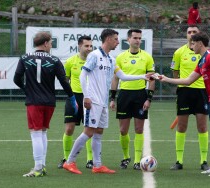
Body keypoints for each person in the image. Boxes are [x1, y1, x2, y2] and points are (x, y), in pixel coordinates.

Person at [62, 29, 153, 174]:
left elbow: (122, 76)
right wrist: (86, 96)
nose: (118, 42)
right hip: (93, 101)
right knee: (89, 131)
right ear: (109, 39)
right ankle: (70, 161)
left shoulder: (111, 59)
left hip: (103, 103)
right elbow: (82, 75)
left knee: (98, 131)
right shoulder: (94, 56)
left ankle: (97, 165)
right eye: (116, 39)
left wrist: (143, 77)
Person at [159, 32, 210, 176]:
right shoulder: (202, 60)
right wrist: (166, 79)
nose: (191, 46)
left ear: (200, 43)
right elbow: (188, 80)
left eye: (193, 43)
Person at [13, 31, 78, 177]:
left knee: (36, 133)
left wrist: (26, 89)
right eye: (51, 43)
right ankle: (41, 166)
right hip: (49, 102)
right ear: (45, 43)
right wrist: (72, 97)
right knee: (42, 131)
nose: (51, 46)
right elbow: (64, 82)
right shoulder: (54, 60)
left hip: (33, 102)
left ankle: (37, 168)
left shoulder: (24, 58)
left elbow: (16, 78)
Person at [109, 29, 155, 170]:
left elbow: (152, 79)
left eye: (139, 38)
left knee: (139, 129)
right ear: (128, 40)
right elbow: (115, 78)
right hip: (124, 95)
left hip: (140, 95)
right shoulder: (120, 57)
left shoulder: (147, 57)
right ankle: (125, 157)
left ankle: (136, 160)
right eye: (135, 37)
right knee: (123, 130)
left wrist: (149, 99)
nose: (137, 40)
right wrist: (112, 98)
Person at [169, 25, 209, 171]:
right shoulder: (179, 52)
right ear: (186, 35)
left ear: (200, 35)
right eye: (189, 32)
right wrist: (180, 86)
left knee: (202, 126)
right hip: (185, 92)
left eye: (194, 32)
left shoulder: (204, 52)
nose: (191, 34)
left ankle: (204, 161)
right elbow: (175, 71)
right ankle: (179, 161)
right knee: (182, 126)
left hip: (201, 92)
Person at [57, 36, 94, 169]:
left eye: (91, 46)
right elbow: (65, 79)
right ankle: (66, 158)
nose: (89, 48)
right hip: (73, 98)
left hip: (89, 98)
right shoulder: (70, 61)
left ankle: (90, 159)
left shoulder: (94, 61)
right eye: (86, 46)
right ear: (80, 46)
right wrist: (70, 94)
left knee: (89, 129)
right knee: (69, 129)